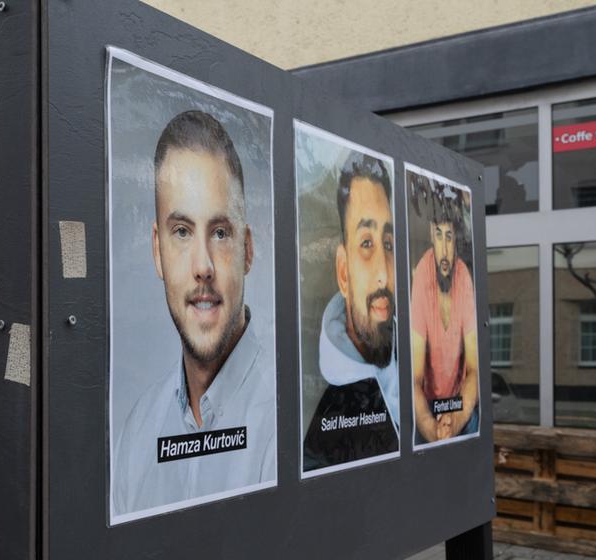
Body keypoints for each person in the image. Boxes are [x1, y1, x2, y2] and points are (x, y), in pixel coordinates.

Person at [112, 110, 275, 517]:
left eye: (220, 232)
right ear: (157, 251)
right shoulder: (136, 434)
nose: (203, 265)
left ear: (247, 250)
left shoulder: (286, 419)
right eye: (182, 232)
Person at [302, 153, 401, 471]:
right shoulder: (321, 411)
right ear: (343, 273)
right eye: (367, 244)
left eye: (388, 244)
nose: (384, 274)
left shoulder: (413, 352)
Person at [411, 185, 478, 442]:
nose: (445, 250)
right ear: (430, 234)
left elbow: (473, 369)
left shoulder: (464, 278)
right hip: (427, 405)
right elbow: (415, 378)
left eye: (449, 237)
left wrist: (456, 420)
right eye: (439, 235)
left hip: (459, 403)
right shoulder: (421, 278)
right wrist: (431, 426)